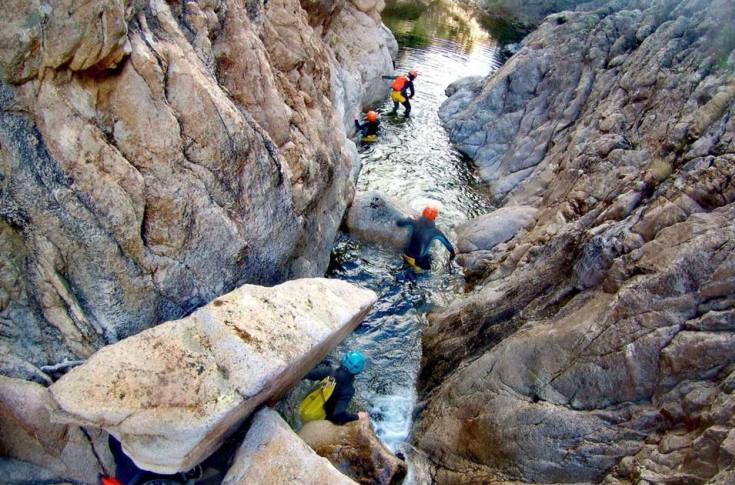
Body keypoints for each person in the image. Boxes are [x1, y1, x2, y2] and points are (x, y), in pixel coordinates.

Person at [303, 351, 369, 424]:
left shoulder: (327, 371)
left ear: (343, 360)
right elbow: (338, 413)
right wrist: (357, 416)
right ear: (358, 372)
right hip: (322, 419)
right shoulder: (348, 390)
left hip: (307, 408)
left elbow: (305, 374)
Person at [397, 206, 455, 272]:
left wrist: (408, 218)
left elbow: (399, 223)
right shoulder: (436, 232)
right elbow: (449, 246)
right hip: (419, 260)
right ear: (434, 218)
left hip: (407, 254)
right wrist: (452, 255)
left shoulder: (414, 222)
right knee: (429, 261)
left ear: (422, 214)